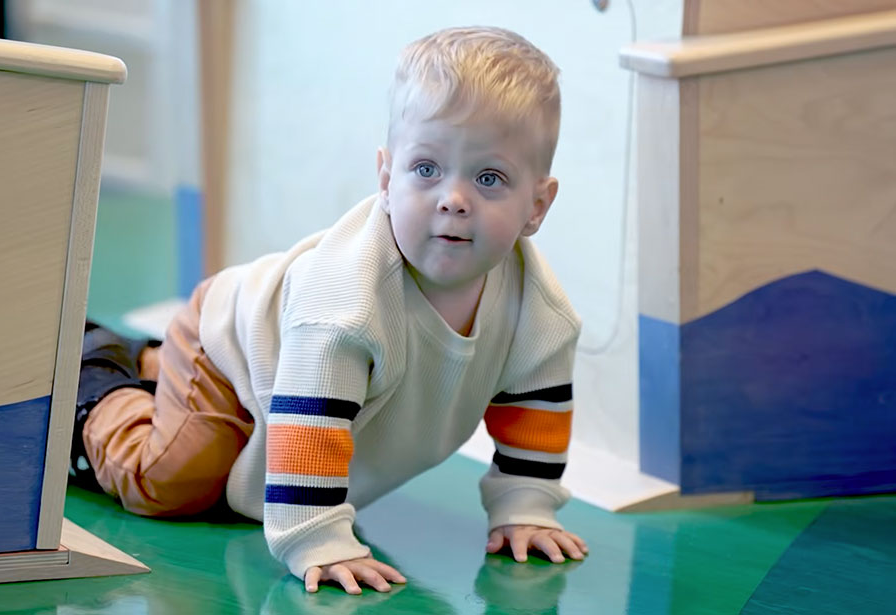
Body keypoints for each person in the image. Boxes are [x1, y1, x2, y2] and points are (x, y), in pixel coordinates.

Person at [71, 25, 588, 595]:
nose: (453, 199)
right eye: (426, 169)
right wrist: (316, 536)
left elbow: (533, 411)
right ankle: (91, 379)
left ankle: (151, 365)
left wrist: (525, 507)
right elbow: (310, 426)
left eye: (489, 178)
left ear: (537, 205)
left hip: (287, 377)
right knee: (175, 479)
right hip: (226, 348)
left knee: (230, 469)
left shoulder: (539, 312)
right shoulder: (346, 304)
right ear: (386, 179)